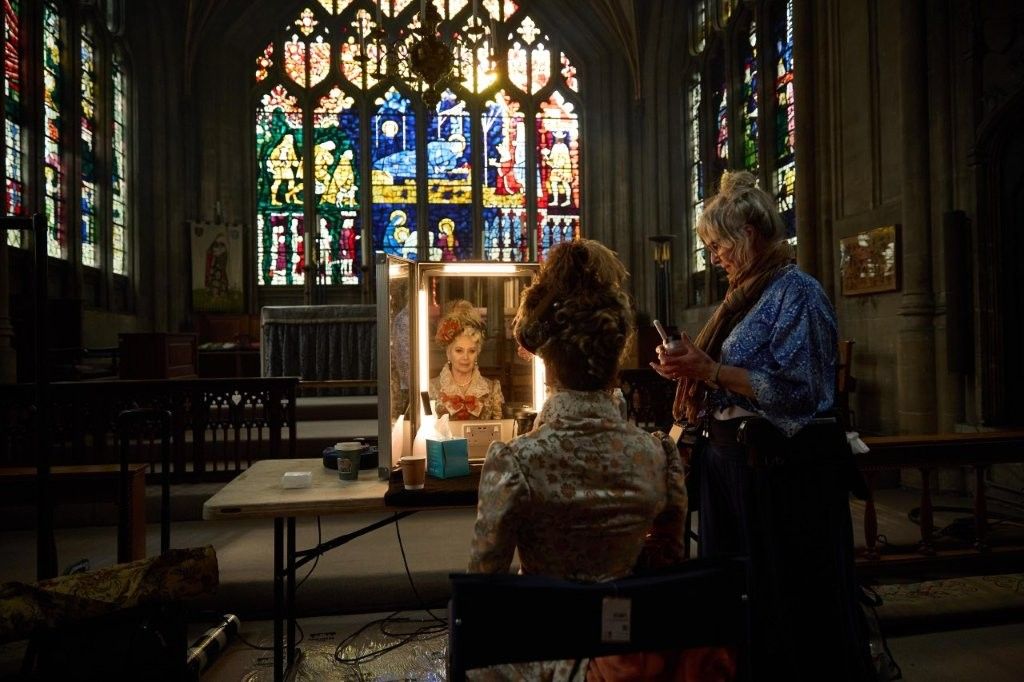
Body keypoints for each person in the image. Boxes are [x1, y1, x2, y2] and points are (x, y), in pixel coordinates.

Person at [468, 240, 731, 680]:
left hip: (547, 653)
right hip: (630, 656)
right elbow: (666, 567)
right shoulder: (656, 455)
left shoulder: (516, 462)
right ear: (617, 353)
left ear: (545, 360)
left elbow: (485, 591)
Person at [650, 170, 873, 679]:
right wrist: (690, 365)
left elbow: (804, 390)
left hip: (780, 470)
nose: (715, 257)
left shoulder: (798, 293)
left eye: (718, 245)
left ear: (748, 235)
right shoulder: (747, 295)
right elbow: (730, 373)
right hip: (731, 460)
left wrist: (709, 370)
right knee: (735, 588)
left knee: (779, 593)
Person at [429, 300, 504, 420]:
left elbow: (501, 432)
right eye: (459, 350)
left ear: (477, 353)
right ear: (449, 353)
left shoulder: (492, 389)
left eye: (471, 351)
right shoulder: (432, 389)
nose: (465, 357)